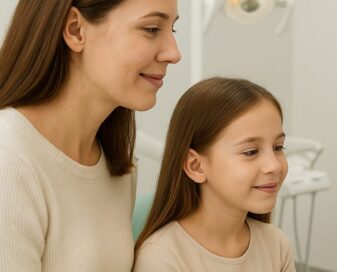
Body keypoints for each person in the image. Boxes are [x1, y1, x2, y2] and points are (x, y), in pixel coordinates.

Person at [0, 0, 180, 270]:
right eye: (152, 29)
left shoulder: (117, 165)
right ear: (75, 30)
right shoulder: (9, 161)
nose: (173, 53)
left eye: (172, 30)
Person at [133, 77, 296, 272]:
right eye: (251, 152)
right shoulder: (162, 257)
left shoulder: (276, 245)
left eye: (278, 147)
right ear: (196, 166)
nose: (274, 166)